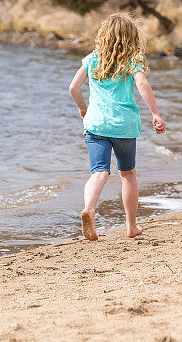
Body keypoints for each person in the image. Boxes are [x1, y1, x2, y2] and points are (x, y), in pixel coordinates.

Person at [68, 13, 166, 241]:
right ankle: (131, 226)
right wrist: (155, 114)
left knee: (99, 171)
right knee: (128, 174)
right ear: (131, 38)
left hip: (96, 125)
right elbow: (142, 83)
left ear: (103, 36)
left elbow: (73, 87)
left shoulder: (92, 59)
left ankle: (89, 210)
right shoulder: (131, 62)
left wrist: (83, 108)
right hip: (123, 126)